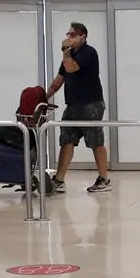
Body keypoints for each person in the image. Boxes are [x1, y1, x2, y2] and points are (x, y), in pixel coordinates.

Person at [46, 22, 111, 193]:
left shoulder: (88, 52)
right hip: (73, 105)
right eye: (68, 34)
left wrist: (65, 51)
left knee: (95, 141)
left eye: (73, 35)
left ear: (83, 37)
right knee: (66, 140)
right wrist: (44, 97)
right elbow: (60, 78)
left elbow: (71, 67)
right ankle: (59, 180)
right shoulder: (70, 54)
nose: (69, 38)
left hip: (91, 104)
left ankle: (104, 179)